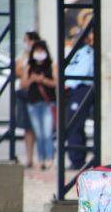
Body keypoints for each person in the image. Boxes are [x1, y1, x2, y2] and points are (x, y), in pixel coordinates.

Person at [19, 40, 57, 170]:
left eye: (41, 50)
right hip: (33, 104)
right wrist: (32, 79)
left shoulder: (51, 66)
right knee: (39, 134)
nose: (39, 53)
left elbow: (56, 82)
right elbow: (23, 84)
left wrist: (43, 80)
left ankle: (50, 159)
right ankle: (41, 159)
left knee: (47, 133)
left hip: (47, 103)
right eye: (37, 51)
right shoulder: (29, 67)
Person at [64, 29, 94, 169]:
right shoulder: (75, 51)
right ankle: (75, 159)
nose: (75, 39)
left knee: (75, 124)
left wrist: (68, 84)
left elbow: (82, 72)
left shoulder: (87, 52)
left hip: (81, 89)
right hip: (73, 89)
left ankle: (77, 160)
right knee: (72, 124)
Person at [14, 31, 40, 168]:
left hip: (37, 94)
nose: (26, 43)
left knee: (40, 128)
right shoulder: (23, 56)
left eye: (27, 40)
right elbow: (17, 70)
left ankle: (42, 159)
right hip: (24, 93)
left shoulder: (41, 54)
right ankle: (29, 158)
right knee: (27, 128)